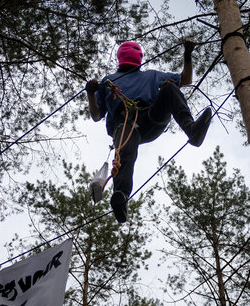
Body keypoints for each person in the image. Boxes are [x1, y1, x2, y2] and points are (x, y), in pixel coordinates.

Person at [86, 40, 212, 223]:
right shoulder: (108, 81)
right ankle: (120, 196)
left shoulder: (151, 76)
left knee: (169, 88)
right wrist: (91, 94)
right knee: (125, 152)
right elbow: (96, 115)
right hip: (125, 123)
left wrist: (187, 55)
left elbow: (185, 80)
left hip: (150, 117)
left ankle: (192, 130)